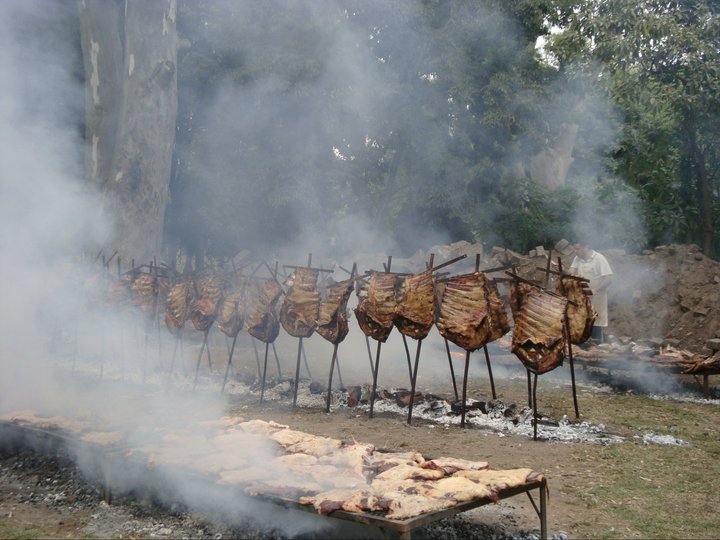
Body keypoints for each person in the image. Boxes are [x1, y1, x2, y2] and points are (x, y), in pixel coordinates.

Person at [569, 242, 613, 343]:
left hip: (597, 299)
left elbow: (608, 278)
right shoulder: (577, 258)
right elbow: (571, 272)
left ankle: (597, 353)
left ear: (586, 247)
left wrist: (595, 290)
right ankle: (582, 354)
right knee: (582, 325)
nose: (575, 251)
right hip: (582, 299)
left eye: (577, 249)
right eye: (574, 249)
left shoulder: (599, 258)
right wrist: (564, 271)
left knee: (596, 325)